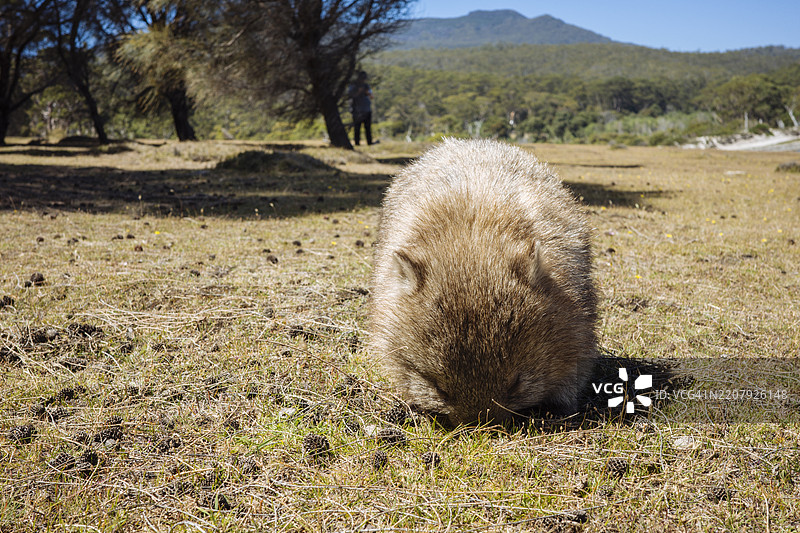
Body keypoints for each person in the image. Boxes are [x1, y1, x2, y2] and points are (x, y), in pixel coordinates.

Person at [348, 71, 376, 146]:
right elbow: (350, 96)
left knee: (368, 128)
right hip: (357, 110)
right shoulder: (353, 86)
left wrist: (368, 93)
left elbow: (372, 97)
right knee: (357, 128)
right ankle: (357, 143)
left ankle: (369, 142)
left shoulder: (366, 86)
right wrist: (359, 92)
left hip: (367, 109)